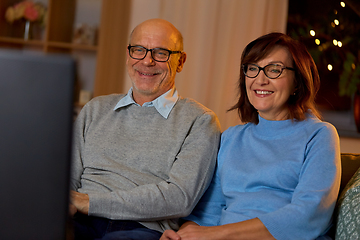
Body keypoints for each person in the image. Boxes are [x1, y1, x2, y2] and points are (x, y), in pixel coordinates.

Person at [161, 32, 341, 240]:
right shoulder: (230, 138)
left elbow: (309, 215)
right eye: (253, 69)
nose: (260, 80)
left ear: (297, 82)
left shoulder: (320, 135)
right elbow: (206, 214)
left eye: (275, 70)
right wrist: (182, 236)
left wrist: (219, 234)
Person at [69, 18, 221, 240]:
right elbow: (66, 179)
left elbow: (179, 198)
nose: (147, 61)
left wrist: (89, 202)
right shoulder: (95, 109)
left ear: (180, 61)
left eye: (161, 53)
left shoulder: (200, 121)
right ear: (128, 55)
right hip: (78, 220)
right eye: (138, 50)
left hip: (140, 230)